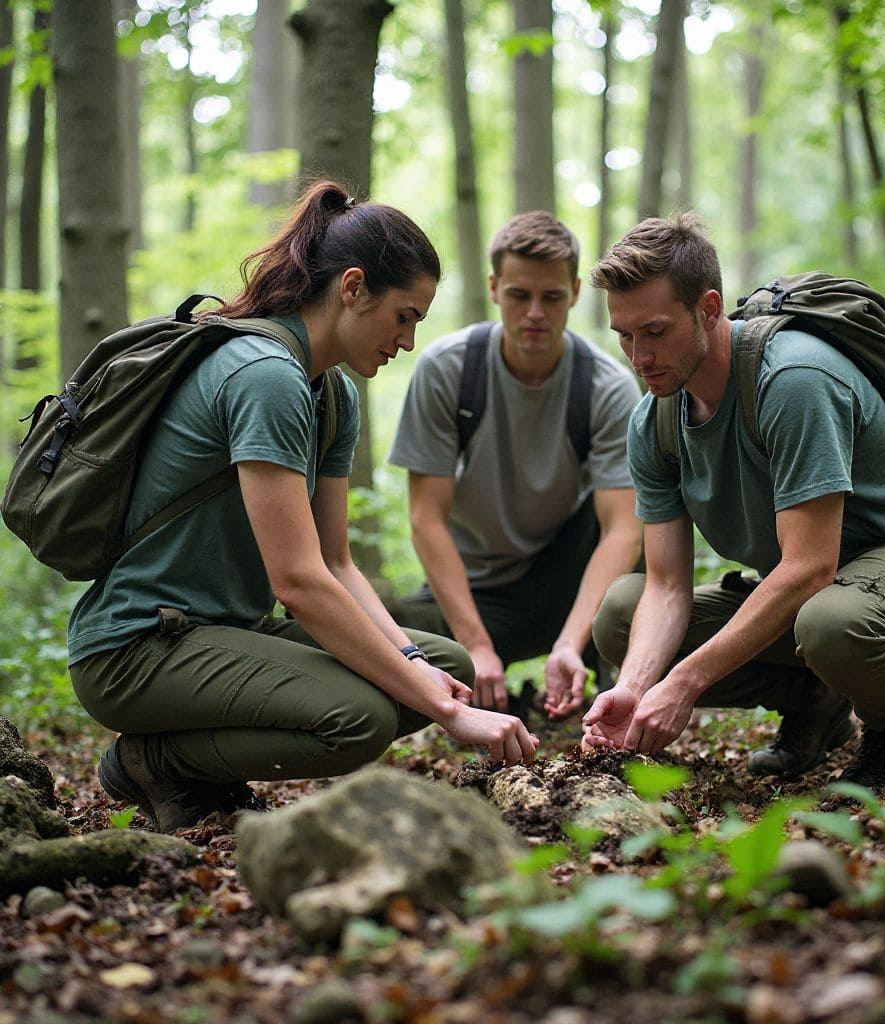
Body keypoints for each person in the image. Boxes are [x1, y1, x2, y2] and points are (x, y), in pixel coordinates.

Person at [68, 180, 538, 834]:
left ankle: (197, 760)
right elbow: (299, 582)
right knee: (360, 720)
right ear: (352, 288)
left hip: (223, 634)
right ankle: (153, 761)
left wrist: (419, 674)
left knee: (445, 668)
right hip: (137, 647)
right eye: (403, 315)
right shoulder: (265, 378)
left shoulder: (330, 396)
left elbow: (338, 564)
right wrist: (447, 711)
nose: (406, 340)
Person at [582, 213, 885, 792]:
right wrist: (637, 689)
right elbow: (666, 585)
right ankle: (813, 699)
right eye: (625, 335)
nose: (639, 356)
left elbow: (809, 566)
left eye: (656, 331)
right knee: (621, 613)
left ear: (709, 308)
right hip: (810, 597)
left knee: (833, 622)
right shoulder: (655, 421)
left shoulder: (792, 379)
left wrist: (686, 683)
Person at [387, 211, 642, 720]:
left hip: (562, 583)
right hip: (475, 594)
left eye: (551, 297)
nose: (534, 314)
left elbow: (622, 531)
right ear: (493, 287)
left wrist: (571, 642)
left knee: (632, 524)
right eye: (518, 295)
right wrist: (476, 646)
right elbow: (426, 519)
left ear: (573, 292)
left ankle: (606, 686)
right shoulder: (448, 370)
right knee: (390, 634)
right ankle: (482, 674)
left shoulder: (608, 388)